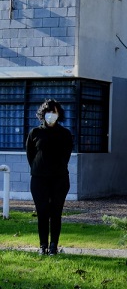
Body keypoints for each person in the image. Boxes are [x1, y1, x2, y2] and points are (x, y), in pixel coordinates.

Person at [25, 99, 73, 256]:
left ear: (59, 114)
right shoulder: (35, 133)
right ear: (43, 114)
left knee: (56, 212)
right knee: (42, 212)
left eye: (54, 112)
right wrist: (39, 168)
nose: (51, 115)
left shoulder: (65, 134)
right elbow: (30, 155)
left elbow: (66, 155)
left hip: (59, 179)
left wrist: (55, 168)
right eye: (48, 112)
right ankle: (42, 245)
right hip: (39, 179)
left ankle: (54, 246)